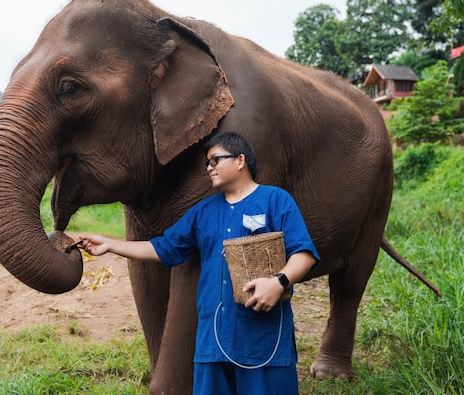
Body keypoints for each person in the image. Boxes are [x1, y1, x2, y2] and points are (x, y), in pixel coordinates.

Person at [79, 131, 320, 394]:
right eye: (207, 163)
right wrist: (109, 244)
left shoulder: (276, 200)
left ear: (240, 160)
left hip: (264, 338)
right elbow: (162, 247)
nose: (209, 167)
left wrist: (278, 282)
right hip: (213, 341)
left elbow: (304, 254)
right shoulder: (204, 212)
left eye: (215, 160)